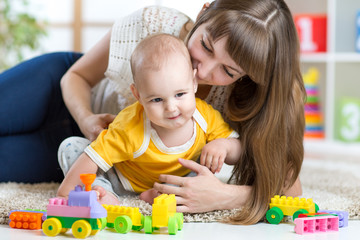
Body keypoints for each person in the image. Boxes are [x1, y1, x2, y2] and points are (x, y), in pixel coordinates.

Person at [0, 0, 306, 225]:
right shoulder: (155, 24)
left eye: (227, 69)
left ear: (247, 76)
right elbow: (75, 77)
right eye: (206, 46)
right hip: (63, 94)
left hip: (81, 154)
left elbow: (291, 194)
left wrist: (227, 196)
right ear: (203, 12)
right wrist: (87, 120)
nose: (202, 70)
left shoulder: (250, 96)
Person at [56, 33, 241, 205]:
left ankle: (158, 194)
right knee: (71, 147)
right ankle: (104, 193)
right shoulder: (129, 125)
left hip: (178, 181)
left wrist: (224, 146)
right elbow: (93, 158)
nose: (171, 107)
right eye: (157, 99)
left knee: (201, 177)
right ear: (138, 95)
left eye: (180, 94)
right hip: (122, 180)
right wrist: (65, 192)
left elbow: (237, 151)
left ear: (193, 83)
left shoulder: (205, 116)